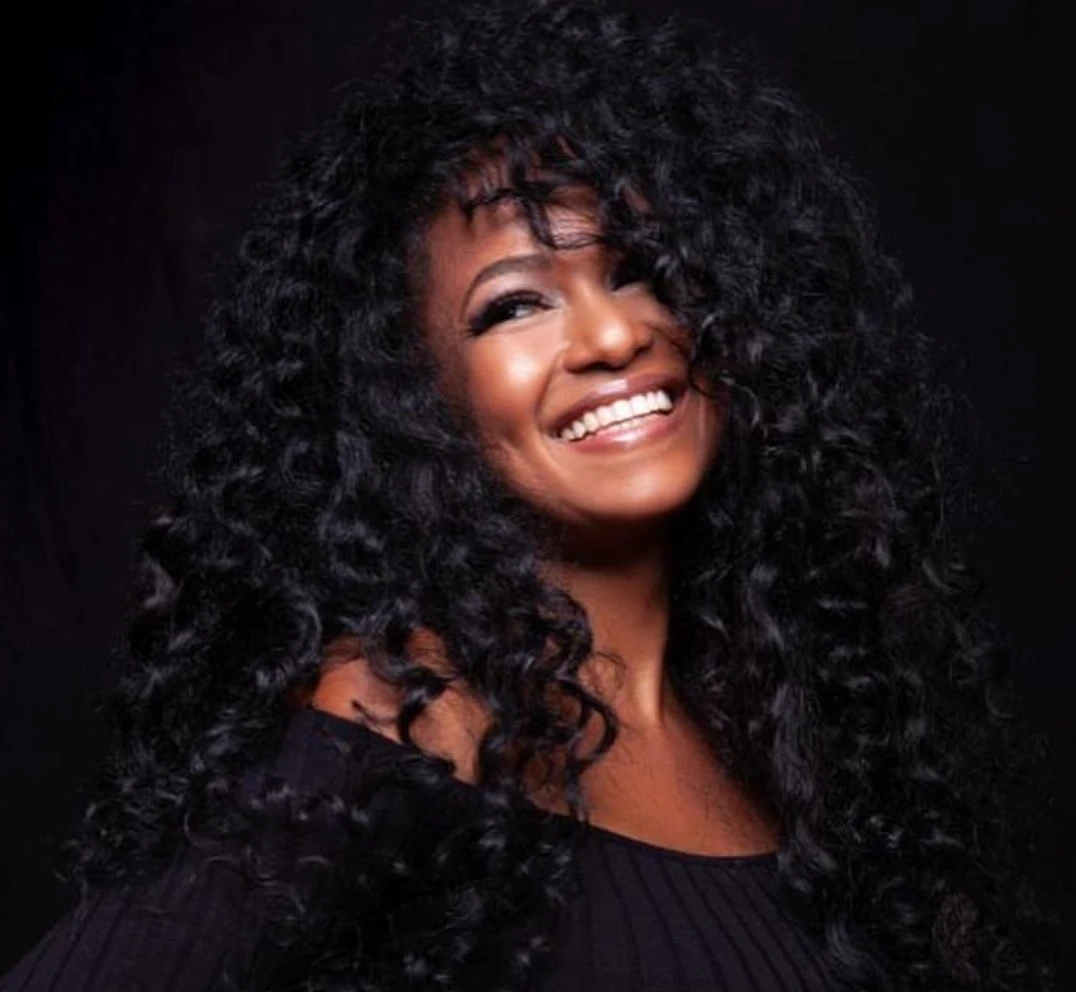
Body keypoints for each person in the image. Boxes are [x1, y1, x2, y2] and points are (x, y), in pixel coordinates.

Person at [0, 0, 1052, 989]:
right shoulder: (416, 712)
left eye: (641, 269)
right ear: (416, 393)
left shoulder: (787, 720)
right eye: (514, 307)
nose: (613, 335)